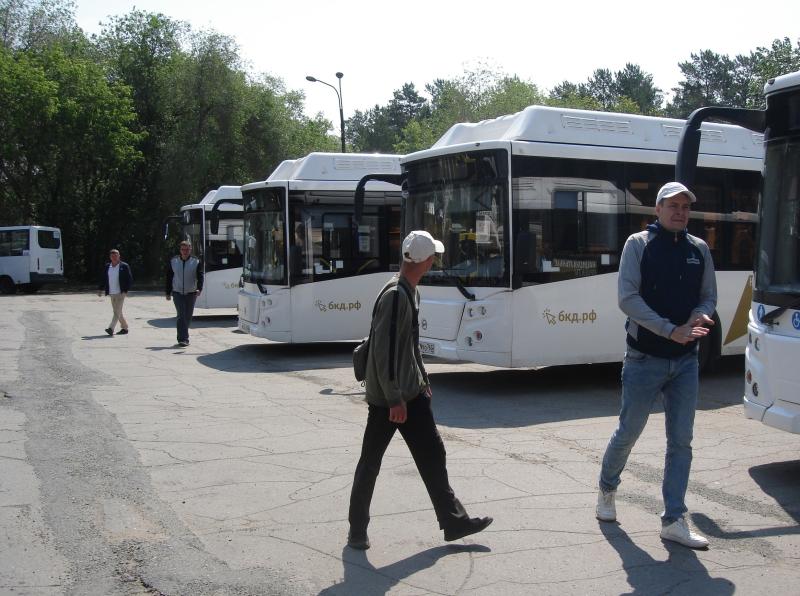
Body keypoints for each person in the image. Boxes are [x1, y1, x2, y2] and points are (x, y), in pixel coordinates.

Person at [347, 230, 492, 550]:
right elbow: (384, 352)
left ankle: (453, 521)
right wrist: (396, 398)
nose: (434, 262)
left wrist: (423, 382)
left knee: (432, 454)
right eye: (433, 257)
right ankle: (357, 529)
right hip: (391, 398)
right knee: (370, 462)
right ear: (425, 261)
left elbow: (410, 347)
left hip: (411, 392)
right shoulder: (395, 295)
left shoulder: (410, 291)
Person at [596, 182, 716, 549]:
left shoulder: (699, 249)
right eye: (673, 205)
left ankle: (674, 519)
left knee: (681, 441)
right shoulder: (638, 245)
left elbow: (708, 296)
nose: (680, 212)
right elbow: (627, 298)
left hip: (685, 362)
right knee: (628, 432)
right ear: (658, 209)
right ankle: (607, 489)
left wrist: (698, 317)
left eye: (685, 206)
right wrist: (669, 330)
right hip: (644, 358)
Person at [165, 241, 203, 347]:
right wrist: (168, 292)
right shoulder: (174, 261)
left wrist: (200, 288)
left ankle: (183, 335)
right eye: (183, 249)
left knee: (188, 316)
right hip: (177, 292)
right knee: (181, 315)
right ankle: (183, 339)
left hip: (191, 292)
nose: (185, 251)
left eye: (187, 249)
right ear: (180, 250)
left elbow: (200, 276)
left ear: (190, 250)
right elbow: (169, 277)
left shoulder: (196, 261)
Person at [98, 249, 132, 336]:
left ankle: (111, 328)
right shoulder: (107, 266)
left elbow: (129, 279)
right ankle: (124, 327)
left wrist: (126, 290)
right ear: (110, 257)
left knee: (116, 311)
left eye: (116, 255)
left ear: (119, 256)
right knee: (117, 311)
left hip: (121, 293)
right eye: (112, 256)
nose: (114, 257)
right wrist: (100, 289)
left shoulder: (124, 266)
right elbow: (103, 278)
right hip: (112, 292)